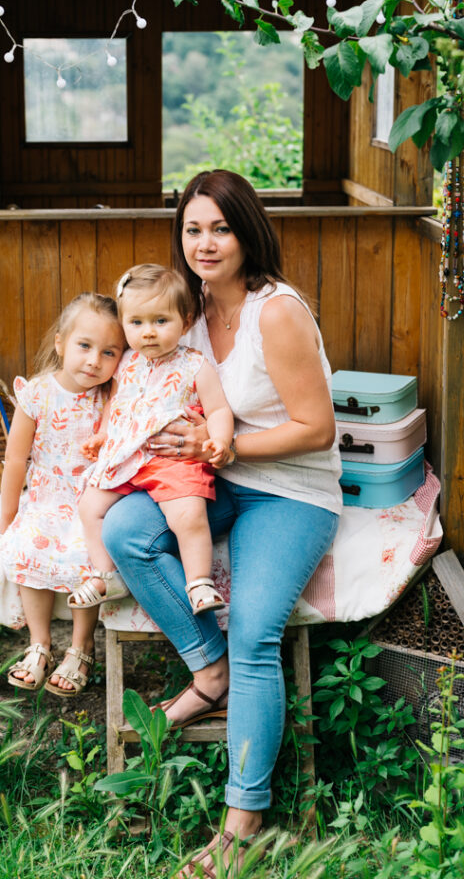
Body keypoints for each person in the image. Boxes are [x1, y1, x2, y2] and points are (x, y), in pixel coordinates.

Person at [102, 171, 343, 874]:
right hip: (216, 479)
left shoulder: (278, 312)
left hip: (290, 488)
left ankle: (242, 823)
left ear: (247, 232)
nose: (205, 244)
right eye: (192, 229)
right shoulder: (190, 306)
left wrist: (221, 444)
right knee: (124, 532)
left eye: (221, 228)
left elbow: (317, 429)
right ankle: (210, 670)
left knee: (258, 627)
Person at [68, 263, 234, 617]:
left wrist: (219, 440)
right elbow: (118, 403)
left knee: (188, 514)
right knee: (89, 507)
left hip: (172, 461)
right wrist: (102, 434)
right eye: (137, 323)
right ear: (124, 324)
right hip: (126, 457)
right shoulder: (127, 362)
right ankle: (107, 575)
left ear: (185, 322)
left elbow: (219, 409)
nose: (148, 333)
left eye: (161, 321)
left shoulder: (194, 365)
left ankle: (199, 582)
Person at [0, 292, 125, 697]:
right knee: (27, 544)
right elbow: (16, 459)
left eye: (109, 352)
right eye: (84, 346)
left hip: (90, 500)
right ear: (60, 343)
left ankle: (81, 646)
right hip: (46, 496)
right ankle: (39, 643)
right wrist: (8, 513)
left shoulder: (112, 397)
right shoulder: (37, 393)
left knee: (88, 555)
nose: (94, 361)